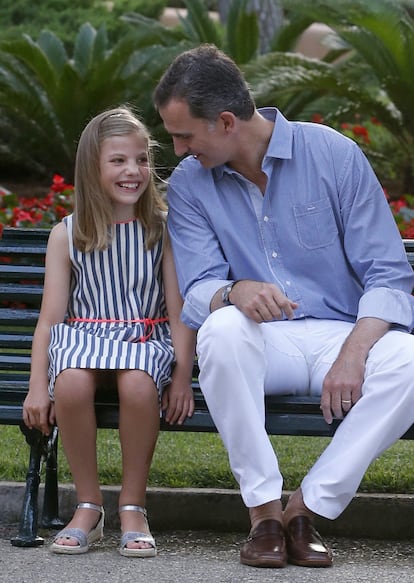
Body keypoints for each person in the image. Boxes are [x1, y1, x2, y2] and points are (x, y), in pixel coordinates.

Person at [153, 44, 414, 569]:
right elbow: (198, 287)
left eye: (184, 135)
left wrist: (356, 351)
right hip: (260, 341)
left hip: (340, 333)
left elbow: (388, 272)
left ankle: (305, 509)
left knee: (410, 362)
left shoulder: (334, 155)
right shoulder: (188, 185)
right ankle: (264, 514)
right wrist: (235, 291)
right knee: (222, 331)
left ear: (226, 121)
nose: (178, 150)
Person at [22, 106, 196, 557]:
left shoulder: (161, 229)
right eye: (118, 160)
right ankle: (89, 506)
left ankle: (133, 505)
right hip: (84, 337)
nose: (133, 171)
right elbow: (50, 320)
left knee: (138, 386)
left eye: (141, 159)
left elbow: (178, 313)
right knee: (73, 383)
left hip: (144, 338)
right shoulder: (68, 234)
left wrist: (181, 376)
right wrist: (37, 385)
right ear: (92, 167)